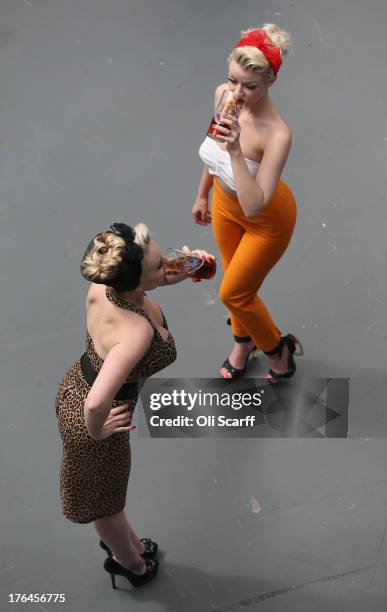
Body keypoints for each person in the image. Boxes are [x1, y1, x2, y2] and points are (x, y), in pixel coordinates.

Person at [55, 222, 215, 589]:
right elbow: (96, 404)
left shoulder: (105, 286)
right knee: (104, 503)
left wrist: (189, 265)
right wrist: (97, 431)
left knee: (111, 494)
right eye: (160, 265)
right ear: (137, 280)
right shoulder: (135, 333)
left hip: (77, 385)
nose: (168, 266)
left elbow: (155, 279)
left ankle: (129, 544)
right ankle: (128, 562)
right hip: (98, 415)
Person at [193, 23, 303, 381]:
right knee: (237, 284)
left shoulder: (278, 134)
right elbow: (213, 155)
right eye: (233, 80)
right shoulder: (224, 96)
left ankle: (277, 349)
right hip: (226, 207)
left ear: (271, 80)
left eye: (250, 86)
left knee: (234, 293)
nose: (237, 93)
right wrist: (202, 193)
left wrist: (237, 149)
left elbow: (255, 203)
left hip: (267, 221)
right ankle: (243, 342)